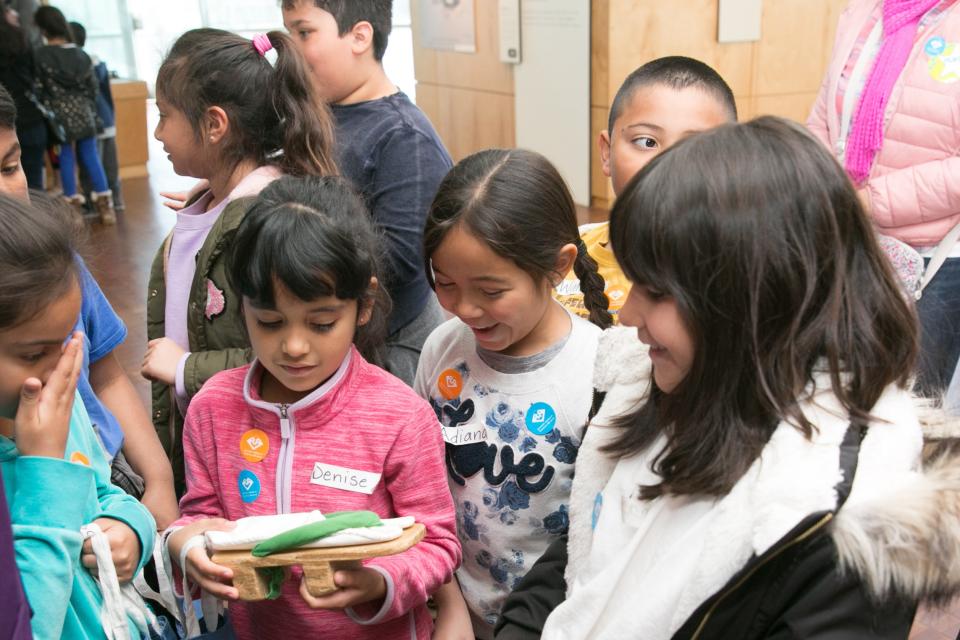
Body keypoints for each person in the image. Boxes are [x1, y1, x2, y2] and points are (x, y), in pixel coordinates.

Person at [496, 117, 960, 639]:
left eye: (655, 291)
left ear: (752, 300)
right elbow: (580, 547)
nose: (626, 316)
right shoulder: (657, 384)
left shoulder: (842, 523)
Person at [165, 175, 460, 639]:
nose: (295, 346)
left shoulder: (399, 416)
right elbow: (200, 515)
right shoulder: (213, 409)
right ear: (242, 307)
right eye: (270, 322)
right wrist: (186, 545)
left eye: (322, 323)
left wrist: (378, 583)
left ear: (362, 306)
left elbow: (438, 543)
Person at [414, 148, 612, 639]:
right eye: (446, 284)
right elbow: (416, 483)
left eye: (491, 290)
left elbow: (598, 536)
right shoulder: (442, 350)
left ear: (558, 266)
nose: (466, 308)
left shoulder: (595, 372)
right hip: (451, 615)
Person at [141, 29, 338, 496]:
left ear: (214, 125)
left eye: (164, 115)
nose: (158, 133)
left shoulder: (258, 219)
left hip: (250, 457)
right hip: (213, 440)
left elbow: (291, 351)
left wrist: (186, 367)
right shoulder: (219, 202)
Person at [0, 83, 179, 530]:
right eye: (31, 352)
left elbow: (106, 373)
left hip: (109, 480)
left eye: (9, 166)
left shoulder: (59, 265)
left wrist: (157, 482)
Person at [0, 192, 156, 639]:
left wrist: (133, 527)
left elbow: (104, 494)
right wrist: (44, 467)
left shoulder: (56, 410)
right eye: (34, 353)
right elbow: (33, 626)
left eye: (69, 342)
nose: (63, 372)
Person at [282, 0, 452, 385]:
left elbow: (403, 262)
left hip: (387, 351)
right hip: (330, 342)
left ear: (359, 36)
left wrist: (304, 263)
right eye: (288, 31)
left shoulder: (403, 136)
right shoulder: (319, 115)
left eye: (303, 32)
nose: (289, 49)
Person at [807, 0, 960, 396]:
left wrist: (870, 201)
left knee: (908, 403)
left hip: (935, 258)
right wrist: (823, 189)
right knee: (834, 390)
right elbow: (824, 114)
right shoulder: (864, 11)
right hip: (851, 239)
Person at [555, 56, 735, 321]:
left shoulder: (738, 269)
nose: (665, 164)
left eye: (693, 147)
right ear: (607, 152)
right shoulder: (562, 254)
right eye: (646, 142)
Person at [32, 5, 115, 224]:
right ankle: (107, 210)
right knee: (91, 157)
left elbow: (38, 89)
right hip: (85, 115)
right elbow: (93, 90)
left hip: (59, 120)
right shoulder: (82, 55)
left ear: (43, 30)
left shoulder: (40, 56)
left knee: (66, 158)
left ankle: (74, 212)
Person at [69, 21, 124, 212]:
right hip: (107, 119)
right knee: (110, 165)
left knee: (90, 165)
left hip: (90, 123)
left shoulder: (77, 62)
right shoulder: (96, 61)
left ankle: (93, 206)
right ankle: (115, 201)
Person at [0, 13, 46, 190]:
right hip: (31, 115)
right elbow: (35, 74)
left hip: (6, 120)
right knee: (32, 183)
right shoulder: (21, 38)